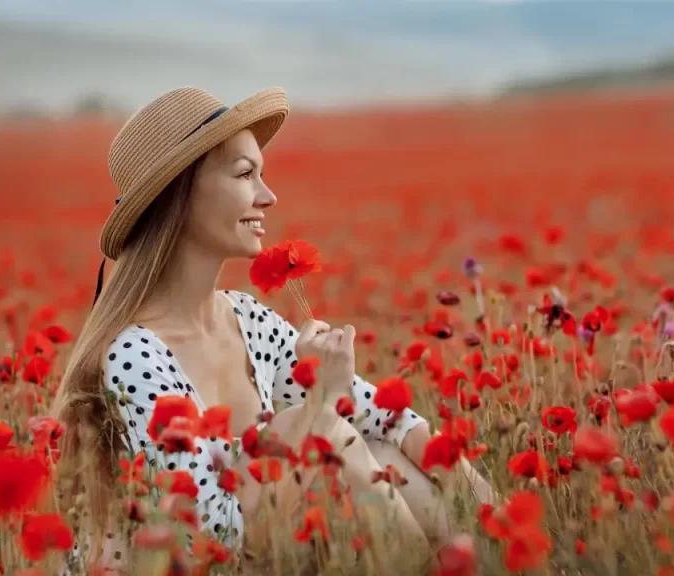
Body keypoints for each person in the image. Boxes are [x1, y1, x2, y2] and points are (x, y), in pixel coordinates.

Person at [52, 86, 494, 570]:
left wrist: (501, 516)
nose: (269, 196)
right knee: (314, 429)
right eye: (246, 175)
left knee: (382, 449)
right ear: (179, 193)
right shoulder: (134, 355)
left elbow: (388, 418)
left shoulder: (248, 320)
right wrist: (319, 410)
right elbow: (213, 541)